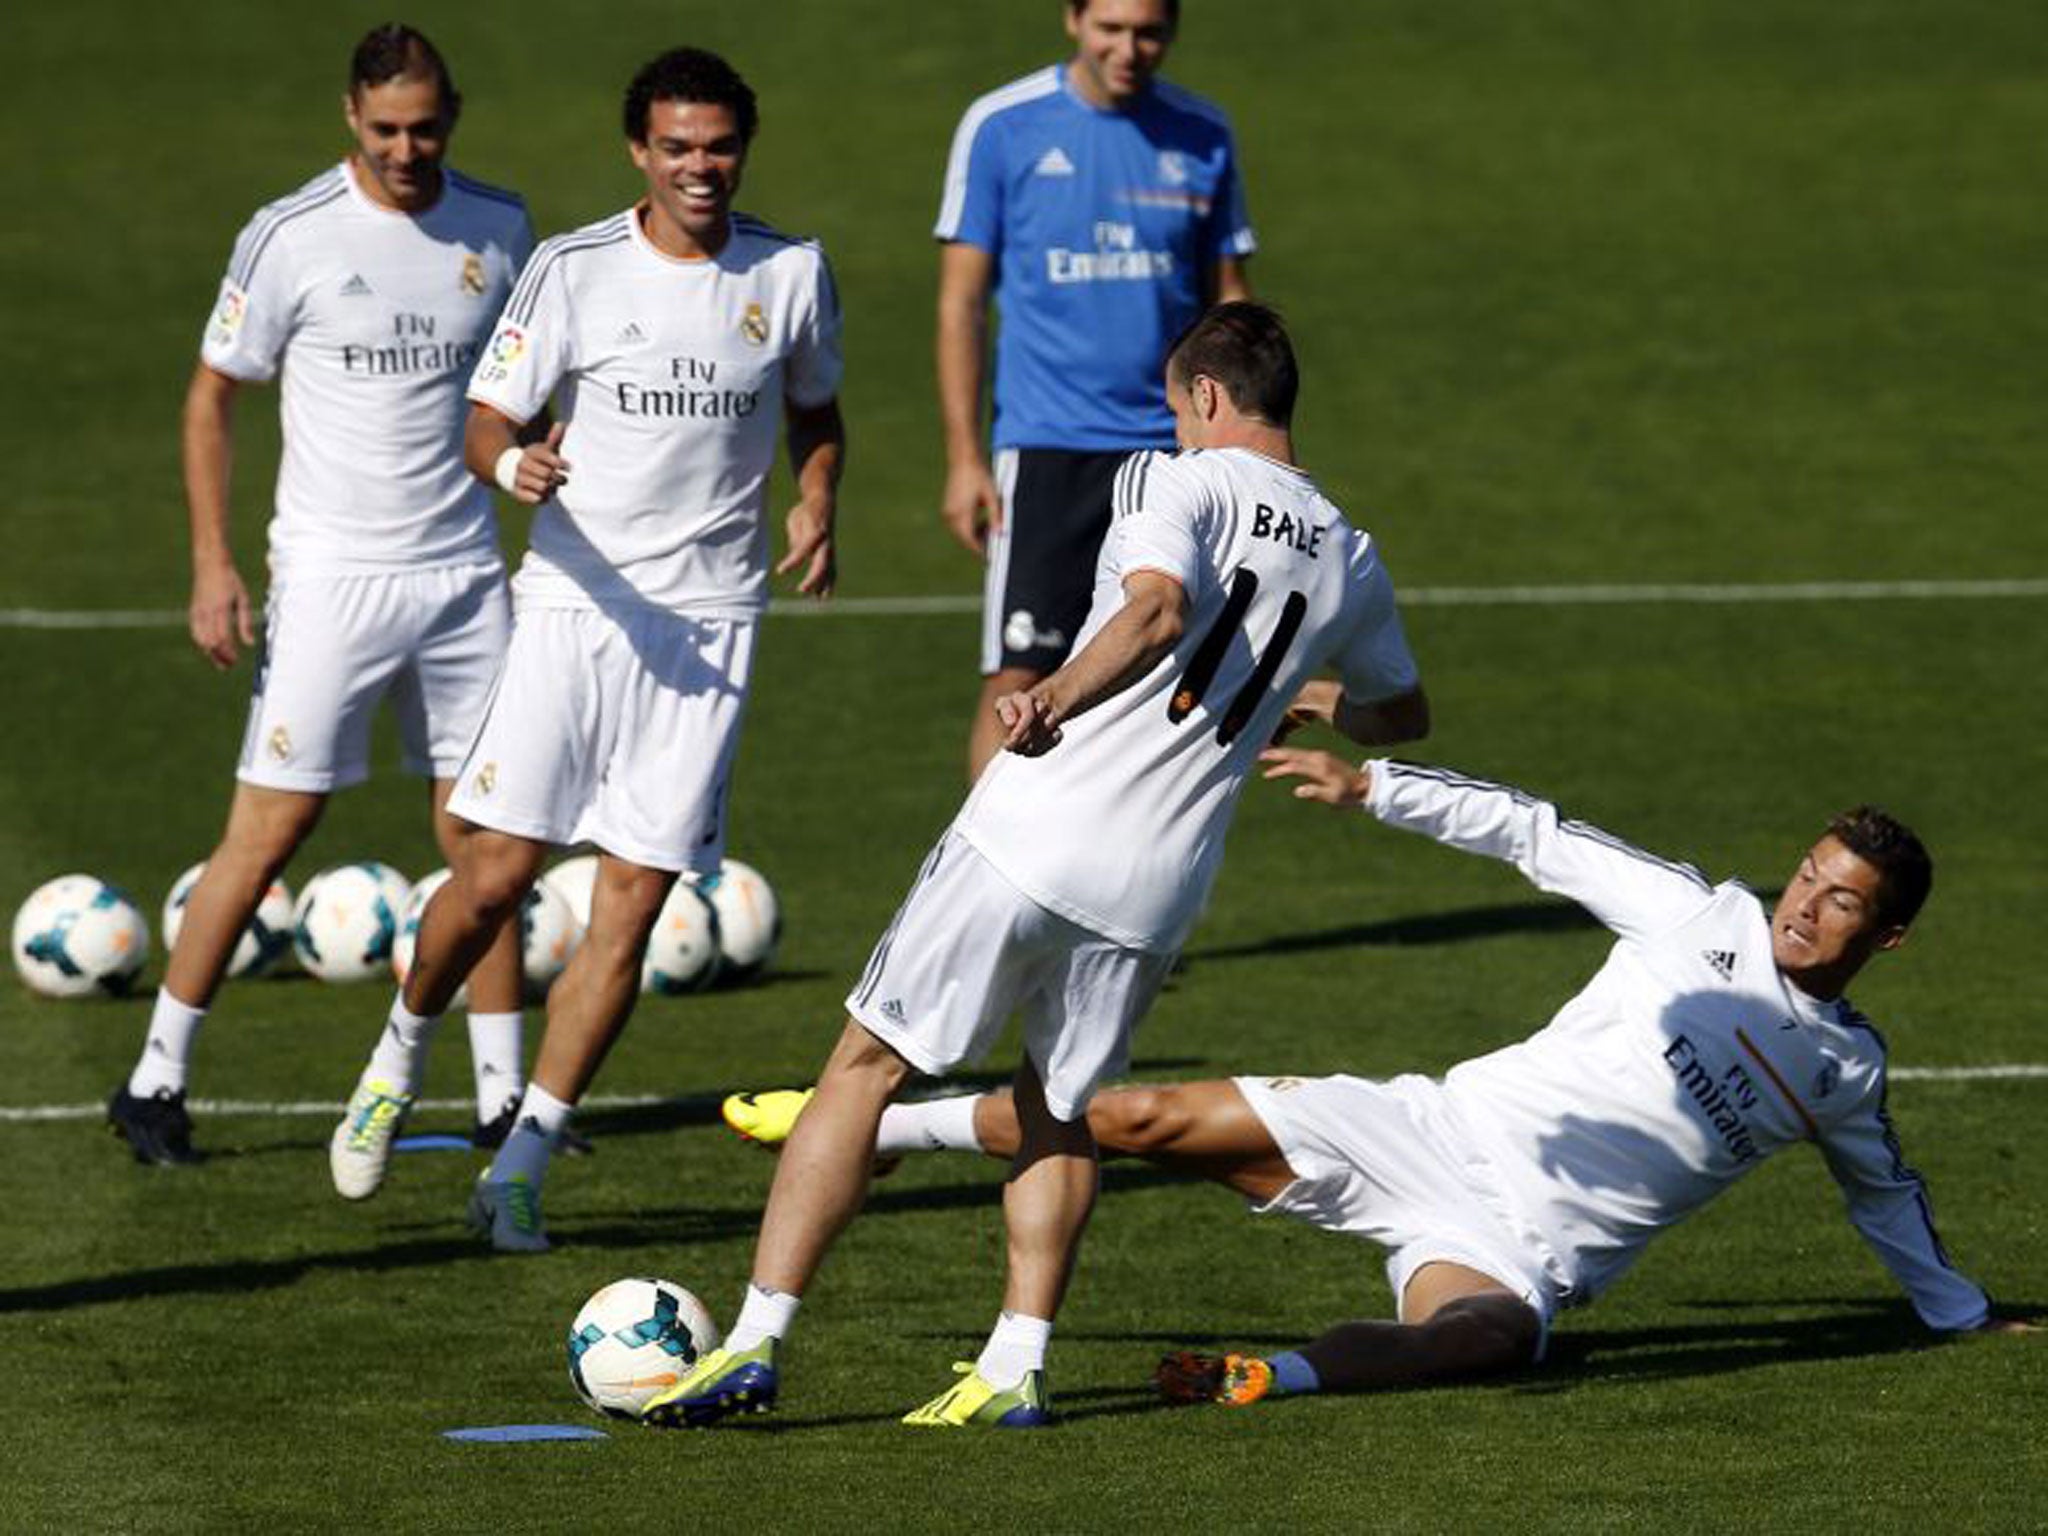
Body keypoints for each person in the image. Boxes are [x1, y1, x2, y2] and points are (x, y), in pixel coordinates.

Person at [643, 303, 1430, 1430]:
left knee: (861, 1066)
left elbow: (1153, 610)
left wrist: (1051, 693)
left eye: (1174, 407)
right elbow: (1401, 713)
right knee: (1056, 1107)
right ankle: (1015, 1364)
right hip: (1158, 888)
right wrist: (1303, 693)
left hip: (1030, 838)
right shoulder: (1350, 553)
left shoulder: (1180, 483)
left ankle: (756, 1342)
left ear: (1203, 396)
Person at [728, 751, 2030, 1403]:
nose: (1806, 909)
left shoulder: (1846, 1073)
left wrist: (1963, 1316)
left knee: (1485, 1344)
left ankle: (1265, 1377)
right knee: (1123, 1114)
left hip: (1521, 1250)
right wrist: (1375, 785)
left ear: (1887, 937)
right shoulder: (1700, 916)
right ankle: (877, 1126)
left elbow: (1886, 1204)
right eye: (1807, 878)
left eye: (1841, 902)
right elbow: (1533, 833)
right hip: (1425, 1129)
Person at [324, 45, 844, 1251]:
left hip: (708, 630)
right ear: (638, 154)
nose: (697, 168)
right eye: (675, 148)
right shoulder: (572, 268)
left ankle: (522, 1164)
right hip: (574, 608)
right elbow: (485, 418)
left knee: (630, 907)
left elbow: (815, 411)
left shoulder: (793, 273)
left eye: (716, 146)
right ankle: (398, 1056)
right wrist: (515, 467)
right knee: (497, 874)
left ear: (740, 148)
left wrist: (819, 498)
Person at [107, 25, 535, 1168]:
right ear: (351, 116)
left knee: (483, 840)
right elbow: (213, 397)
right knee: (272, 825)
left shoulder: (499, 230)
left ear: (453, 114)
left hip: (461, 578)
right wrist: (213, 562)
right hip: (332, 579)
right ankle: (155, 1080)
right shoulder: (289, 236)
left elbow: (522, 393)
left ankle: (502, 1099)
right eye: (386, 128)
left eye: (426, 126)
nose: (407, 148)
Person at [937, 0, 1257, 780]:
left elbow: (1231, 302)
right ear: (1072, 18)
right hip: (1049, 451)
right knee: (1018, 678)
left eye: (1148, 31)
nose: (1129, 49)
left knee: (1157, 681)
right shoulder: (1002, 126)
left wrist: (1243, 446)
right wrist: (965, 456)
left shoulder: (1203, 133)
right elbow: (961, 302)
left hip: (1172, 453)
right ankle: (975, 881)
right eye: (1111, 28)